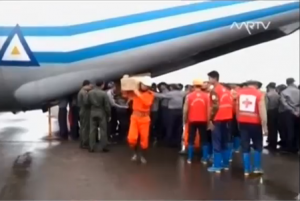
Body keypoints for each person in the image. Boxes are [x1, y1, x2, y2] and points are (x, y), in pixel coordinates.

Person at [236, 80, 267, 176]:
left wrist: (238, 120)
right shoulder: (259, 94)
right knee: (258, 145)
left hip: (242, 122)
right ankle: (256, 167)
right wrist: (264, 126)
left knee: (245, 145)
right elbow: (262, 109)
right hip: (255, 124)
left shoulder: (239, 93)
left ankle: (246, 169)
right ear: (256, 85)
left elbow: (236, 109)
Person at [124, 77, 154, 164]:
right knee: (131, 138)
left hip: (145, 119)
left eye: (147, 85)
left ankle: (142, 156)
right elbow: (125, 95)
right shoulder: (134, 92)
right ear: (140, 84)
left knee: (144, 140)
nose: (145, 87)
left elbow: (147, 103)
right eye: (144, 85)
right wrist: (125, 81)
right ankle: (135, 153)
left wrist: (138, 94)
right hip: (135, 117)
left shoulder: (150, 94)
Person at [207, 71, 233, 173]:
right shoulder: (226, 90)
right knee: (224, 141)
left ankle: (217, 165)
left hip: (218, 119)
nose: (209, 81)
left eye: (209, 79)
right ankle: (225, 164)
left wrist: (211, 120)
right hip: (227, 118)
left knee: (216, 141)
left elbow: (215, 106)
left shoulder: (215, 90)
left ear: (214, 78)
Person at [183, 79, 210, 164]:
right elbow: (209, 109)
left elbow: (185, 110)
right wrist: (209, 121)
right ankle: (204, 158)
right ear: (201, 86)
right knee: (204, 139)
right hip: (203, 120)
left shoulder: (189, 96)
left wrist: (185, 120)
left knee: (191, 139)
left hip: (192, 120)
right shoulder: (207, 96)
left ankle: (190, 158)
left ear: (193, 86)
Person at [88, 80, 111, 153]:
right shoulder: (104, 93)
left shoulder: (90, 93)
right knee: (103, 130)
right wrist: (109, 114)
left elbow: (87, 102)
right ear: (102, 85)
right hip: (101, 112)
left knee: (92, 130)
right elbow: (107, 106)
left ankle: (91, 147)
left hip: (93, 112)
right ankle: (104, 147)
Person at [280, 78, 300, 154]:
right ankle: (297, 146)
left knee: (289, 130)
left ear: (287, 83)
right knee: (297, 130)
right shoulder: (298, 91)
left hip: (288, 113)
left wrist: (292, 110)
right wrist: (298, 111)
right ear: (293, 82)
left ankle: (290, 147)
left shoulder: (284, 92)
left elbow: (284, 104)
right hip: (298, 112)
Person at [265, 82, 280, 151]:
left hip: (270, 112)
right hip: (276, 112)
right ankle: (274, 143)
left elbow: (266, 105)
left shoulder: (268, 95)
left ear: (269, 87)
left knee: (270, 128)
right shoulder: (277, 94)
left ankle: (271, 144)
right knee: (275, 129)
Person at [78, 80, 92, 149]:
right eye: (89, 85)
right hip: (85, 111)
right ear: (86, 85)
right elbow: (86, 102)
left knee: (82, 127)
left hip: (82, 110)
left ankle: (82, 142)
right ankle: (85, 143)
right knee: (85, 127)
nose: (90, 86)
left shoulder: (81, 91)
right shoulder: (84, 92)